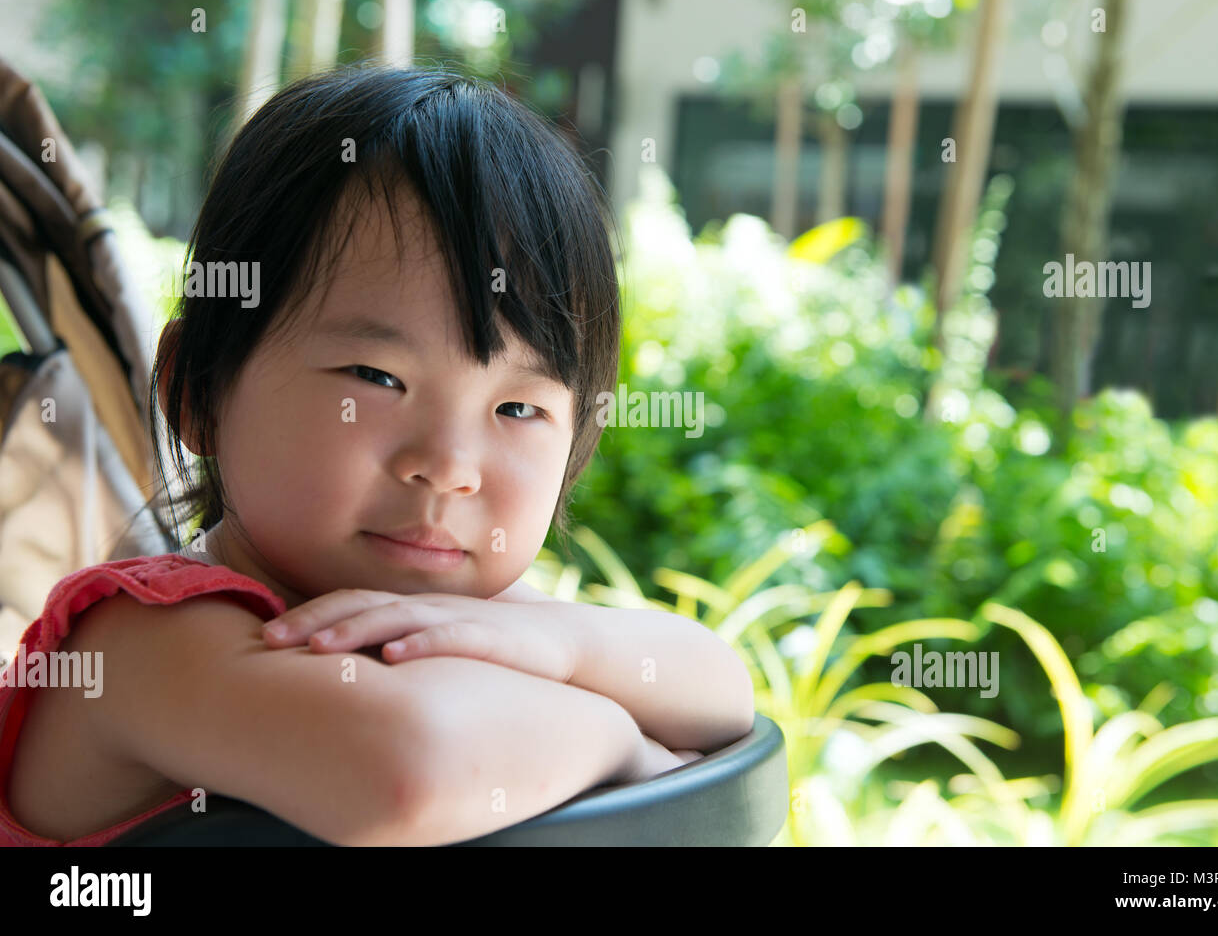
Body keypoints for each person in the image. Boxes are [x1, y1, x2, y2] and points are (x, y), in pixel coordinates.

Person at [0, 63, 753, 847]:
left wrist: (563, 644)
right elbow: (410, 773)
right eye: (377, 377)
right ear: (197, 391)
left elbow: (720, 688)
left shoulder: (458, 612)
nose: (449, 463)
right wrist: (624, 743)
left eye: (519, 408)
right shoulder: (147, 642)